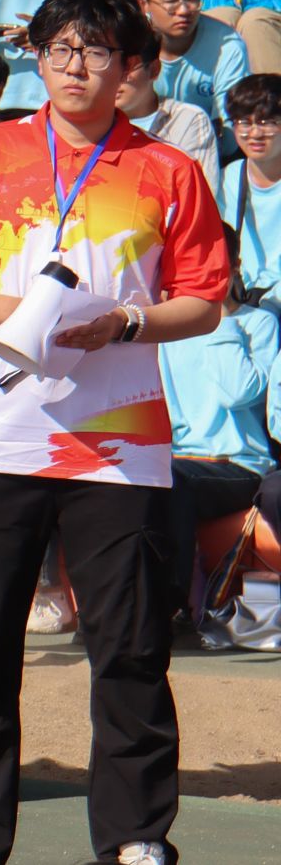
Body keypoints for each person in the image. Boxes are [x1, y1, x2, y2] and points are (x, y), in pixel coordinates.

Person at [0, 0, 230, 865]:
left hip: (119, 448)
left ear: (131, 67)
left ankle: (135, 833)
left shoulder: (170, 169)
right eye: (59, 49)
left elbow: (204, 298)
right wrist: (26, 315)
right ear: (38, 58)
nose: (76, 66)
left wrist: (125, 321)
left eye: (95, 50)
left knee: (129, 646)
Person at [160, 225, 277, 610]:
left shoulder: (258, 324)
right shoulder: (170, 330)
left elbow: (237, 393)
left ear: (235, 266)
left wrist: (220, 316)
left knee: (172, 480)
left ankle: (175, 609)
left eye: (215, 263)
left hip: (239, 464)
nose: (205, 273)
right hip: (181, 458)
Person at [133, 0, 249, 133]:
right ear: (143, 3)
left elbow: (230, 124)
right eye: (171, 1)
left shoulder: (227, 45)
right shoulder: (127, 43)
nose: (184, 10)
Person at [119, 28, 220, 195]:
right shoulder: (91, 124)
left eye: (128, 68)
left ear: (154, 70)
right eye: (110, 66)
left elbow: (200, 196)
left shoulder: (189, 120)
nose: (117, 77)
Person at [222, 75, 281, 310]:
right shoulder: (227, 178)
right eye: (245, 122)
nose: (255, 133)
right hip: (241, 301)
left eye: (268, 122)